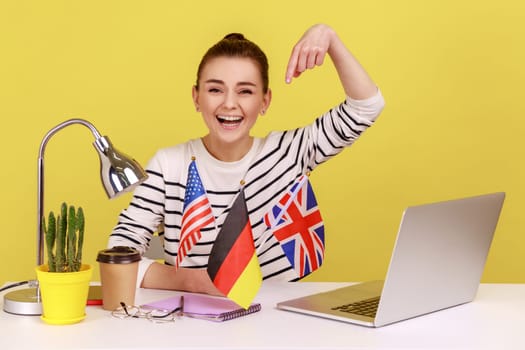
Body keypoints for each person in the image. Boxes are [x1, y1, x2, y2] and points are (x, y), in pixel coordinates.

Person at [108, 23, 385, 296]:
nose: (229, 103)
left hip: (273, 319)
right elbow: (119, 255)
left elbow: (367, 107)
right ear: (196, 97)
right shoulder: (169, 165)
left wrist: (330, 38)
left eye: (245, 91)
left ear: (265, 101)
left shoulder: (287, 153)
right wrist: (194, 282)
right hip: (189, 323)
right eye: (216, 89)